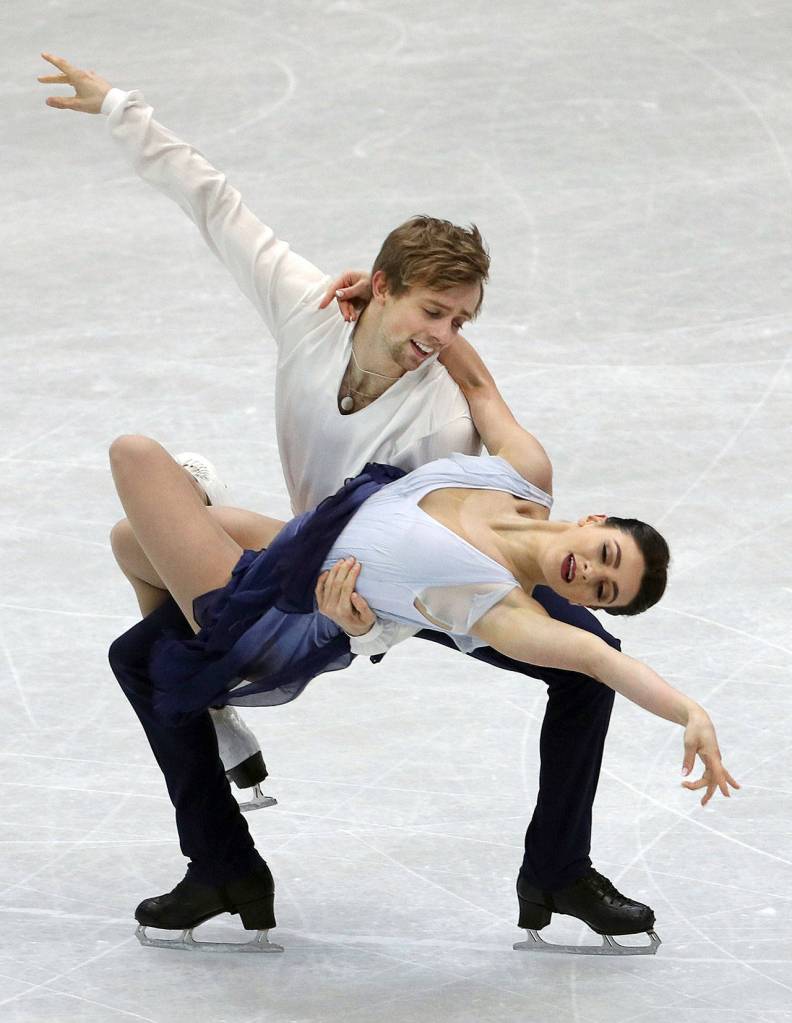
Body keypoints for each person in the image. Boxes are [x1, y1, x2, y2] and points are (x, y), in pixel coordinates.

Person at [38, 54, 736, 955]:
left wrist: (364, 628)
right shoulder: (305, 308)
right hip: (310, 557)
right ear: (382, 283)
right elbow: (216, 204)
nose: (442, 340)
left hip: (388, 583)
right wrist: (119, 107)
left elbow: (421, 556)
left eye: (460, 324)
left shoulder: (444, 428)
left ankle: (558, 871)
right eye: (433, 313)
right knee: (140, 634)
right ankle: (223, 862)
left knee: (587, 658)